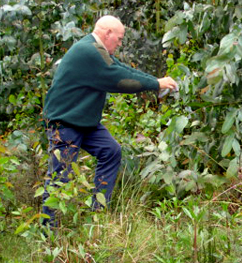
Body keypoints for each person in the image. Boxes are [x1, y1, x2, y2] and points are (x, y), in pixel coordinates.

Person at [41, 15, 178, 226]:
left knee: (110, 151)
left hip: (85, 122)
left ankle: (98, 214)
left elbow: (123, 69)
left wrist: (155, 81)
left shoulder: (98, 51)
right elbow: (120, 79)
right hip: (65, 122)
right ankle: (48, 234)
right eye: (120, 39)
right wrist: (156, 83)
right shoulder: (88, 51)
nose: (120, 43)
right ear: (108, 34)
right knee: (60, 177)